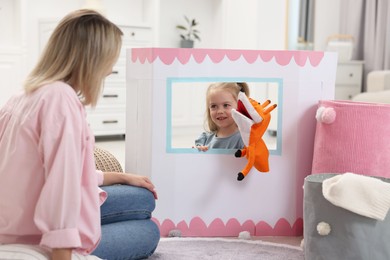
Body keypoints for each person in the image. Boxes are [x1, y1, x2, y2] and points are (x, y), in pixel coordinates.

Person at [0, 9, 159, 260]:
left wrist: (121, 176)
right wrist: (63, 253)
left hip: (12, 222)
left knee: (142, 198)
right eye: (110, 60)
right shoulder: (60, 99)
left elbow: (39, 171)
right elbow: (60, 186)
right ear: (92, 60)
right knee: (147, 230)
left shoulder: (21, 97)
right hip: (35, 238)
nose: (109, 71)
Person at [194, 82, 250, 152]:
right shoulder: (205, 139)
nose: (220, 111)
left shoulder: (243, 139)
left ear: (239, 106)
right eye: (213, 106)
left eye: (226, 105)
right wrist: (198, 151)